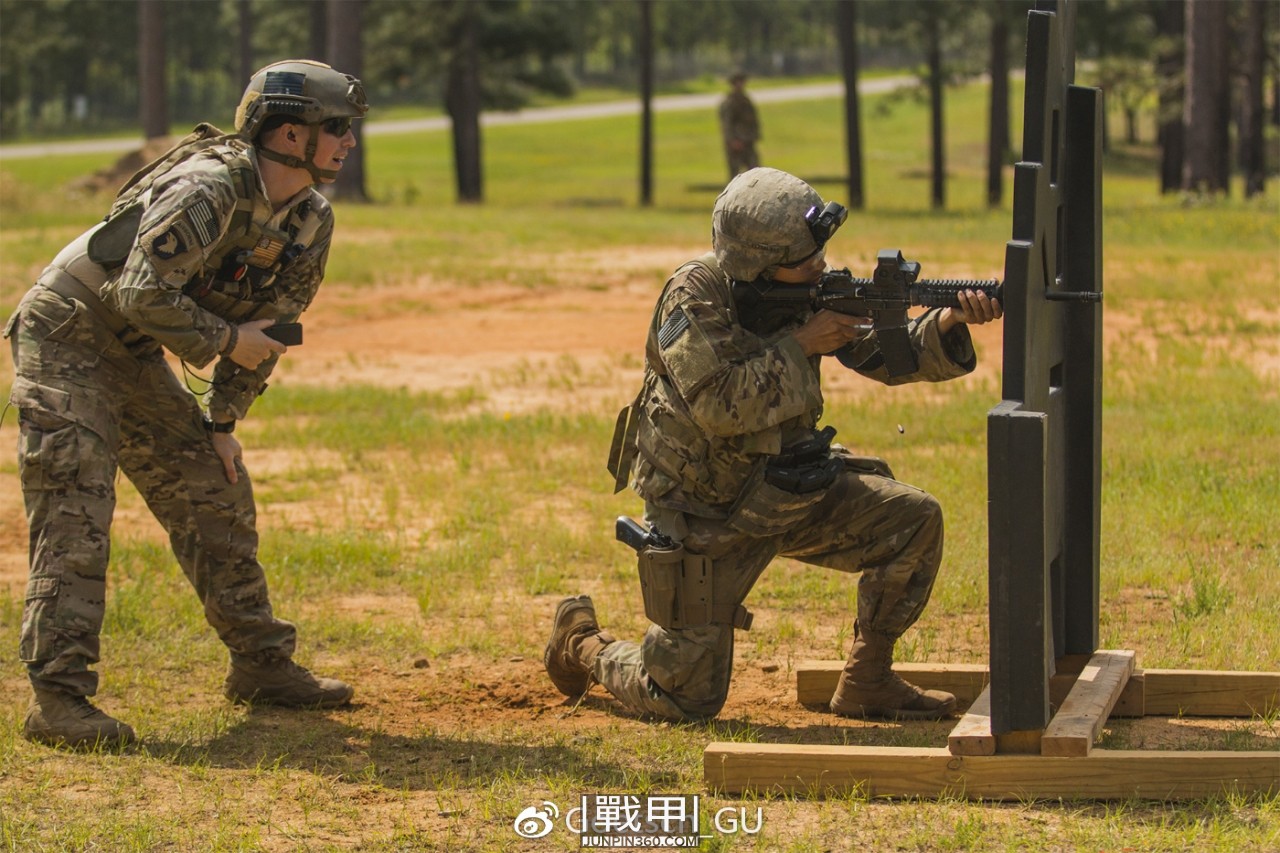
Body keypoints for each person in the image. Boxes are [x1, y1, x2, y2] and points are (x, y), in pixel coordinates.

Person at [544, 167, 1002, 723]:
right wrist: (803, 343)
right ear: (756, 265)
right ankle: (582, 645)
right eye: (805, 260)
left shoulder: (807, 291)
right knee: (684, 700)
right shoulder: (693, 298)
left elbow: (883, 356)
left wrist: (948, 320)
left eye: (819, 254)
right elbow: (717, 403)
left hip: (786, 490)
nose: (820, 268)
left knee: (911, 519)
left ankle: (868, 680)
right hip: (703, 513)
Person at [4, 60, 368, 749]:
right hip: (69, 330)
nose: (349, 143)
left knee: (213, 483)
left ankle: (262, 665)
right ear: (290, 135)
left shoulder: (309, 221)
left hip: (135, 348)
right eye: (338, 129)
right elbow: (137, 294)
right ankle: (59, 699)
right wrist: (227, 339)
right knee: (77, 503)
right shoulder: (206, 189)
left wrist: (222, 424)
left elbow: (273, 327)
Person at [718, 71, 760, 183]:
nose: (741, 84)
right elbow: (727, 124)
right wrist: (732, 141)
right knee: (734, 178)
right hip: (736, 143)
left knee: (756, 174)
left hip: (748, 141)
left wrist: (754, 135)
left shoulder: (745, 100)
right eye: (738, 82)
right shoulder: (729, 102)